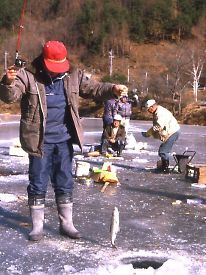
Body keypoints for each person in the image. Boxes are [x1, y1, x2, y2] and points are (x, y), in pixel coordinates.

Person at [0, 40, 128, 241]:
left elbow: (94, 88)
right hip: (39, 140)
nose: (56, 72)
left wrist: (113, 88)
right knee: (38, 182)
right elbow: (10, 96)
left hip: (64, 139)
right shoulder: (27, 75)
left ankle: (66, 223)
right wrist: (7, 81)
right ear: (43, 61)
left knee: (64, 181)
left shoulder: (73, 74)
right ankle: (37, 226)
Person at [142, 99, 180, 173]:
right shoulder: (157, 112)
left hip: (173, 132)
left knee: (163, 151)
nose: (148, 111)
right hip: (170, 132)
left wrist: (148, 133)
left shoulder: (160, 113)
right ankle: (164, 166)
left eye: (149, 109)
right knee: (163, 150)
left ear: (152, 107)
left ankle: (165, 169)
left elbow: (158, 126)